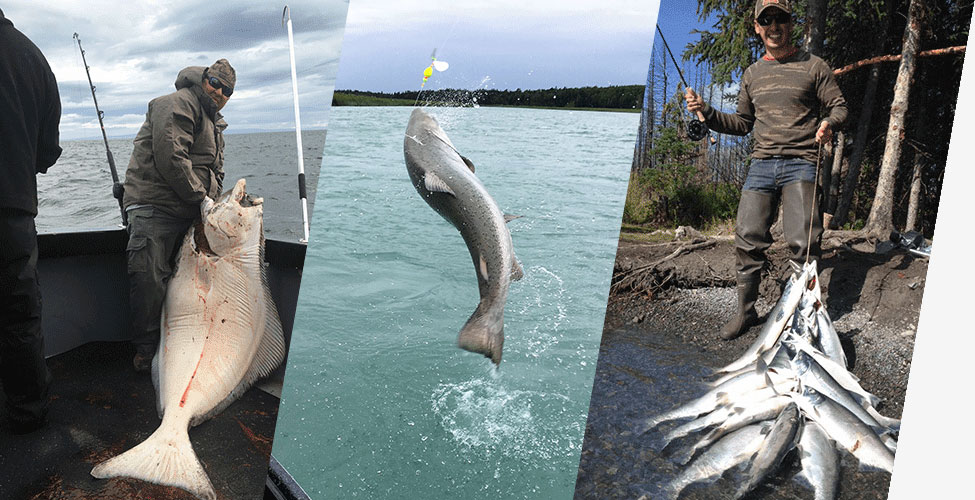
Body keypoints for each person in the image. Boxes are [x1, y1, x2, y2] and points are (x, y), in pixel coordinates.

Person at [685, 0, 848, 340]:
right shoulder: (752, 74)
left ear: (791, 23)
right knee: (746, 237)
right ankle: (746, 312)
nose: (774, 26)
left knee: (803, 242)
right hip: (761, 164)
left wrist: (829, 123)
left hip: (802, 162)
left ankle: (803, 315)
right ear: (757, 27)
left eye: (781, 19)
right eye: (767, 20)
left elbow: (839, 106)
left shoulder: (814, 66)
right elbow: (743, 123)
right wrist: (708, 112)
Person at [122, 59, 235, 372]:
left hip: (192, 211)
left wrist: (212, 203)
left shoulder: (216, 124)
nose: (219, 91)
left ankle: (187, 347)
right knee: (149, 278)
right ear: (203, 79)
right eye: (215, 82)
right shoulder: (175, 104)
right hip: (154, 206)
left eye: (227, 90)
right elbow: (171, 156)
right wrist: (202, 199)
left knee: (196, 284)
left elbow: (216, 169)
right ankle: (147, 353)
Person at [0, 8, 62, 433]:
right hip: (13, 210)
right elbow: (48, 148)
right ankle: (29, 414)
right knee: (19, 317)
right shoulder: (31, 56)